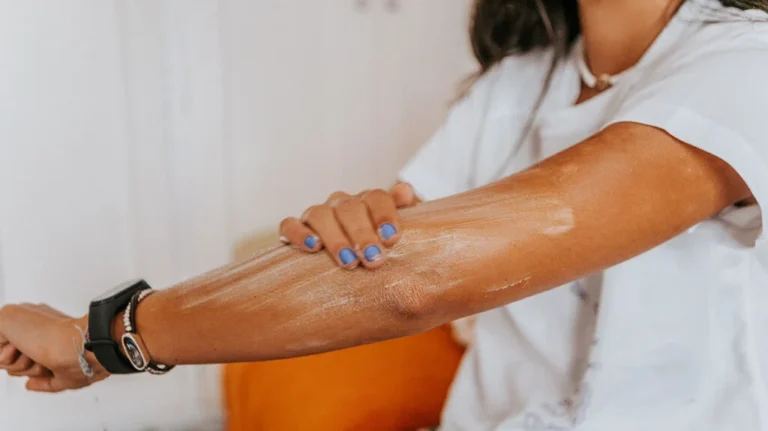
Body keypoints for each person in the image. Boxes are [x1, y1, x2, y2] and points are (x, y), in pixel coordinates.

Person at [1, 0, 767, 428]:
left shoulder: (747, 63)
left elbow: (409, 281)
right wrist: (353, 227)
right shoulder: (516, 84)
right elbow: (372, 259)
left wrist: (97, 338)